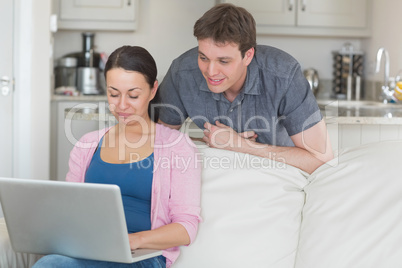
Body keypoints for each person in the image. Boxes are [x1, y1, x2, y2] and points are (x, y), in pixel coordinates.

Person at [33, 46, 201, 268]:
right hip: (90, 249)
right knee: (50, 262)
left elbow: (186, 226)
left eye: (133, 95)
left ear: (152, 91)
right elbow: (71, 210)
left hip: (143, 256)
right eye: (113, 94)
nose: (121, 105)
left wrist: (133, 240)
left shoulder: (177, 147)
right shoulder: (87, 145)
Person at [157, 3, 333, 174]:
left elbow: (321, 159)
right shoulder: (181, 73)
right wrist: (212, 142)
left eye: (223, 61)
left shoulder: (284, 74)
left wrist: (240, 146)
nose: (210, 72)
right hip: (217, 177)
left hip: (279, 175)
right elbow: (159, 142)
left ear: (248, 55)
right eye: (203, 58)